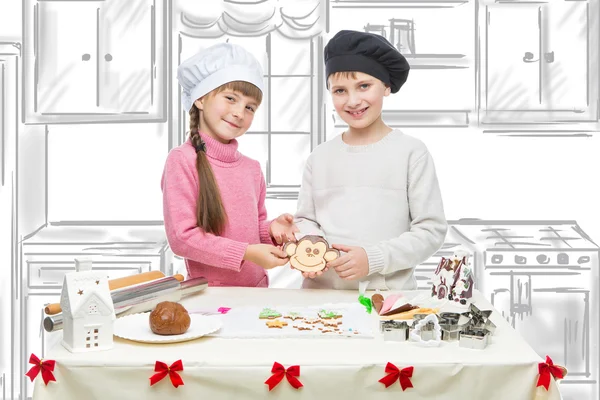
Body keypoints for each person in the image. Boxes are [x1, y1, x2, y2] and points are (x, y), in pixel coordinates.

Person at [294, 30, 448, 290]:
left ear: (386, 86)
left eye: (364, 86)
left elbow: (430, 230)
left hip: (389, 301)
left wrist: (373, 259)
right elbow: (305, 219)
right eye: (340, 90)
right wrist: (313, 248)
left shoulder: (411, 153)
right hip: (320, 297)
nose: (353, 101)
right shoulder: (319, 158)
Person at [162, 42, 298, 287]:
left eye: (249, 107)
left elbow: (253, 229)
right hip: (213, 299)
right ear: (200, 99)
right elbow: (182, 238)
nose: (239, 112)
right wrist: (246, 252)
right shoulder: (182, 160)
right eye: (230, 98)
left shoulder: (252, 168)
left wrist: (272, 230)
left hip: (257, 291)